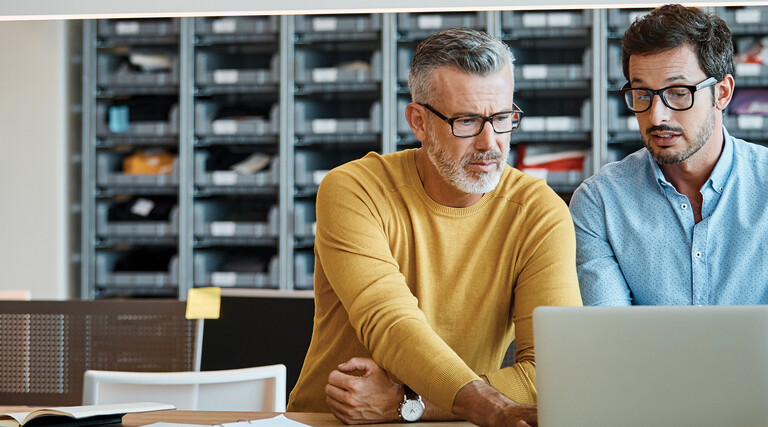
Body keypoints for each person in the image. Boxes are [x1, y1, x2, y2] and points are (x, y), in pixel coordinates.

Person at [287, 28, 582, 426]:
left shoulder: (539, 212)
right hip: (334, 421)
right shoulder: (354, 190)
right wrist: (488, 405)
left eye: (501, 119)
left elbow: (551, 371)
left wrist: (407, 405)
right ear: (419, 122)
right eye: (466, 121)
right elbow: (391, 323)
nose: (489, 142)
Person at [570, 4, 768, 306]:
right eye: (642, 95)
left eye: (678, 92)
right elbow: (610, 339)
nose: (656, 116)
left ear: (723, 93)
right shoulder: (601, 203)